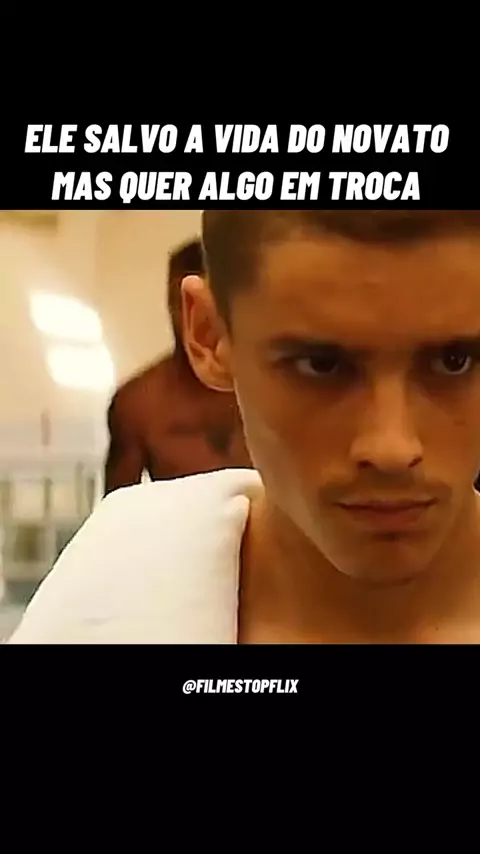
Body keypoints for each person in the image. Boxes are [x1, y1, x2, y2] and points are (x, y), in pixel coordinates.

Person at [9, 209, 480, 645]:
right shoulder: (102, 605)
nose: (392, 448)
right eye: (321, 365)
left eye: (455, 361)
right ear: (208, 335)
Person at [104, 237, 250, 494]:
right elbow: (117, 507)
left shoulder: (269, 386)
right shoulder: (140, 405)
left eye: (203, 305)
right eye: (178, 302)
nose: (188, 317)